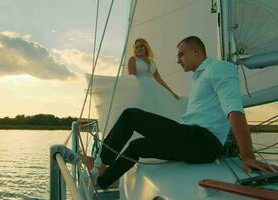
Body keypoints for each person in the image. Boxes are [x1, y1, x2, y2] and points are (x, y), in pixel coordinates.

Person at [94, 36, 276, 189]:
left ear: (196, 52)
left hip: (202, 141)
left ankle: (100, 164)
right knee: (137, 147)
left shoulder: (219, 68)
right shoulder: (199, 77)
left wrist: (247, 156)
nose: (178, 60)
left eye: (181, 54)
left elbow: (234, 110)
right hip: (192, 142)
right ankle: (101, 182)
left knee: (131, 116)